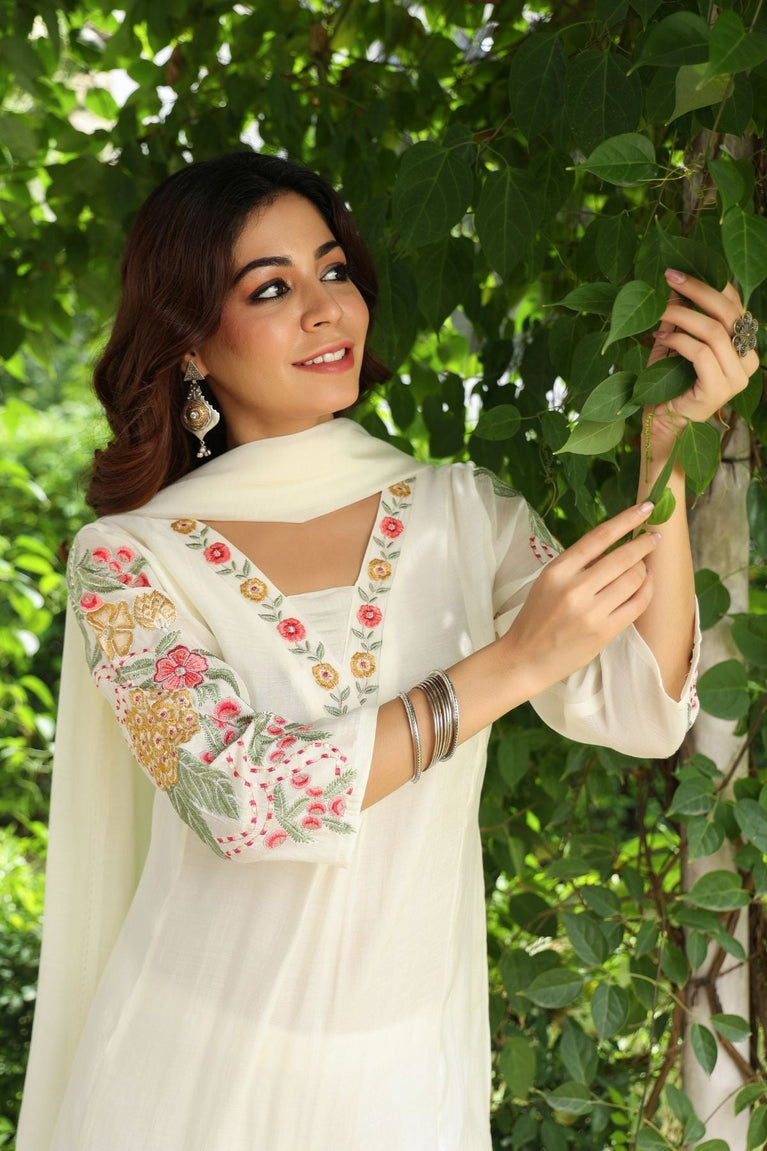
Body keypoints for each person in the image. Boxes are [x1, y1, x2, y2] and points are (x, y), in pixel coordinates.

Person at [17, 151, 756, 1151]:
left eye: (333, 270)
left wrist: (665, 450)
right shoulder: (129, 561)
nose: (326, 310)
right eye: (270, 288)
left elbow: (639, 708)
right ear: (189, 341)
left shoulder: (461, 511)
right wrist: (507, 666)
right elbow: (238, 798)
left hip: (400, 1087)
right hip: (190, 1075)